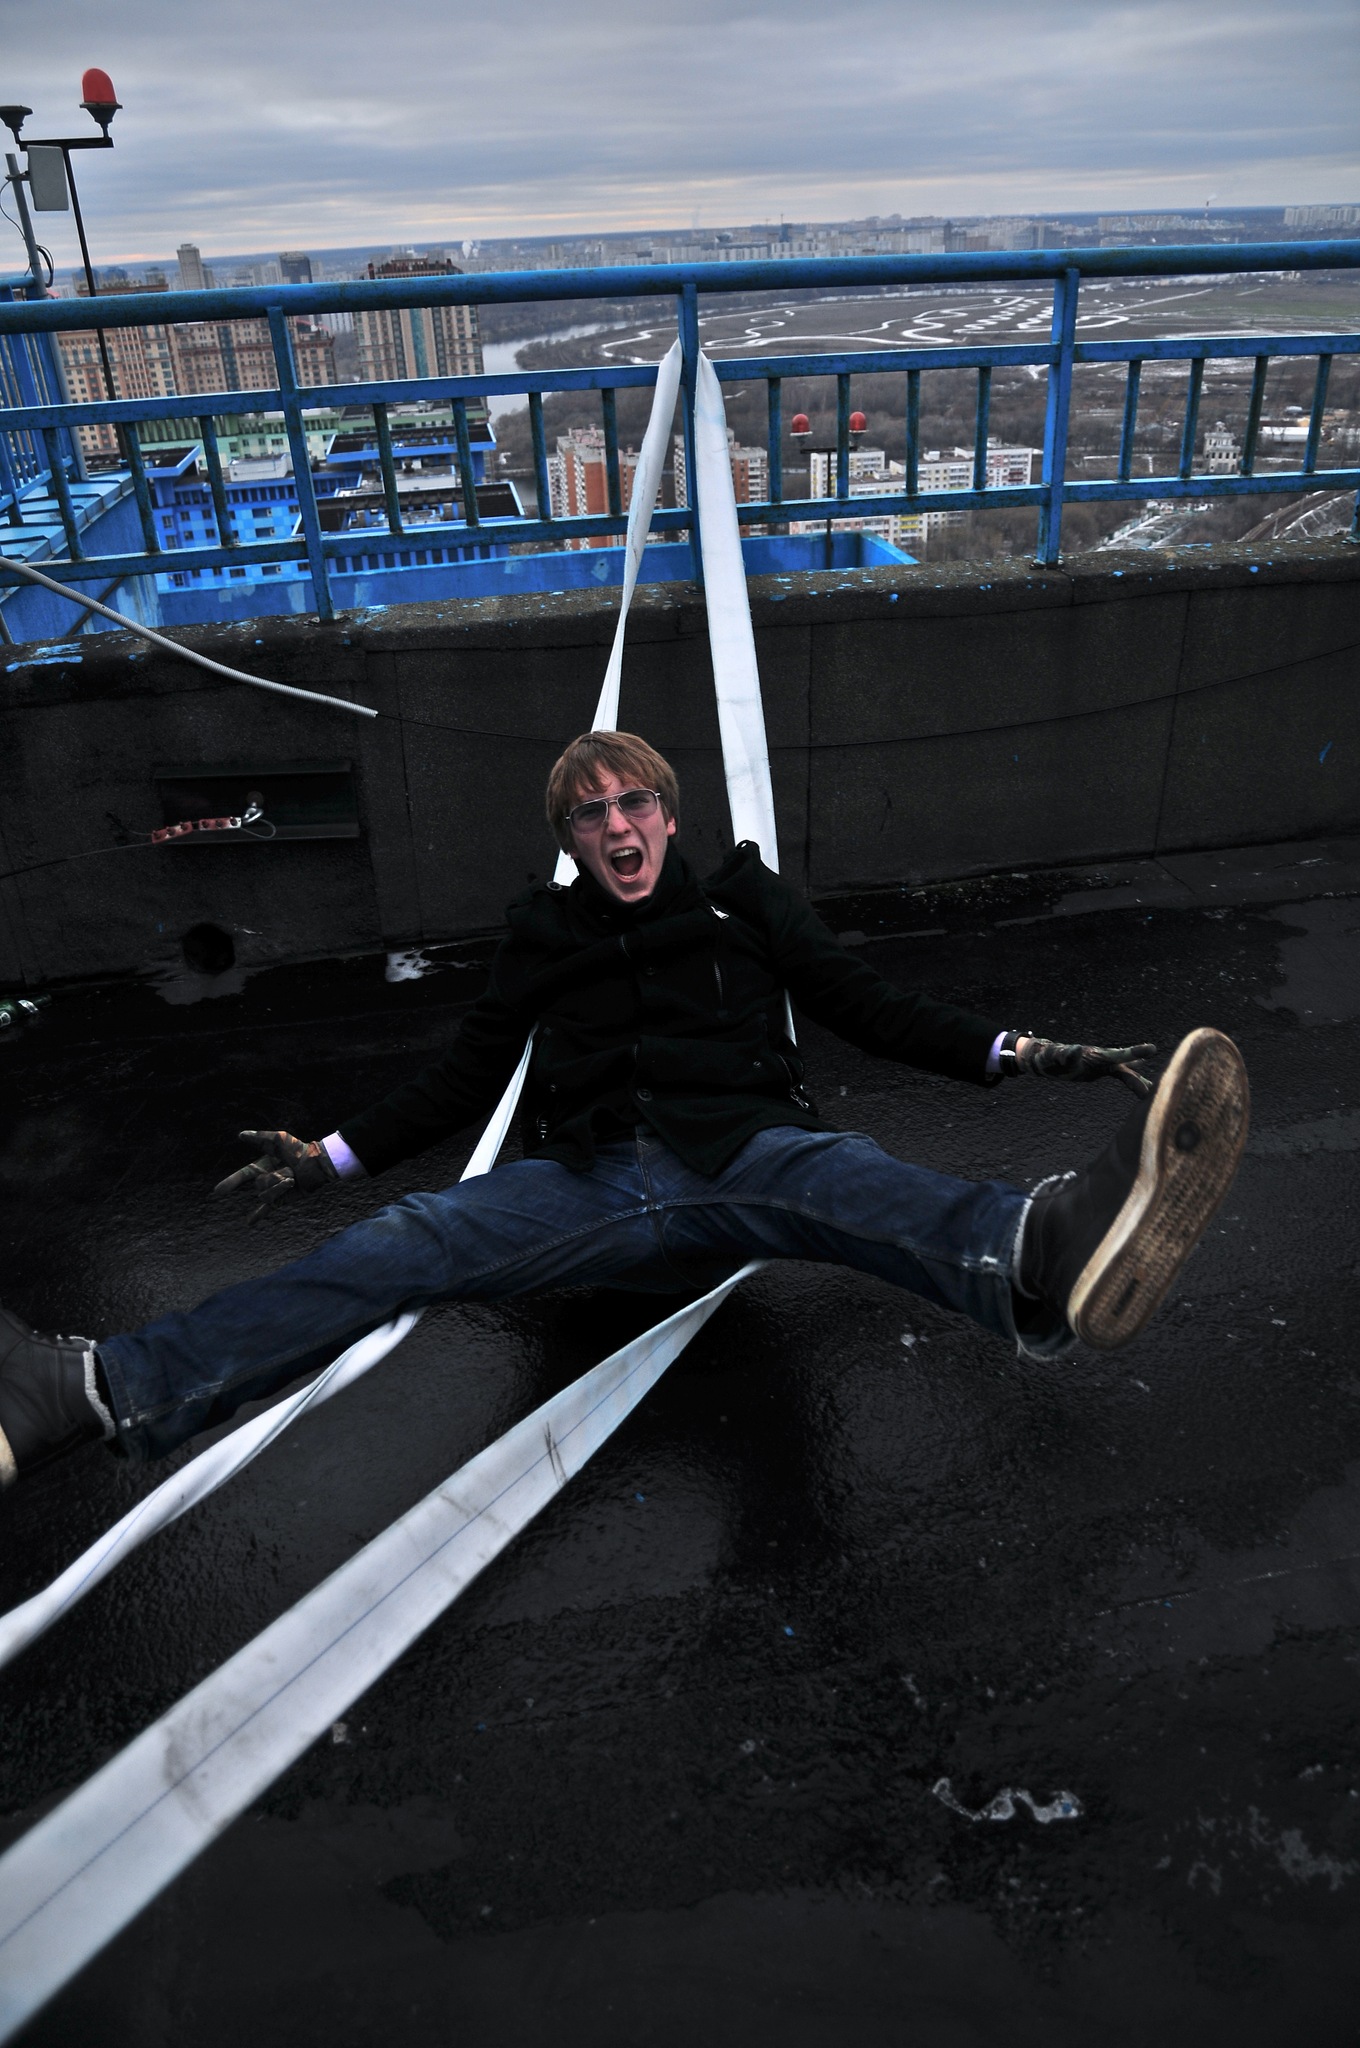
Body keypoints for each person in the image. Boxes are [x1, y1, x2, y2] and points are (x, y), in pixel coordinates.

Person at [0, 731, 1249, 1486]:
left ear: (667, 812)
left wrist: (1022, 1051)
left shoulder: (747, 902)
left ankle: (1038, 1255)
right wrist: (325, 1157)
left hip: (744, 1151)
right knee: (407, 1239)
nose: (616, 823)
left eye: (633, 801)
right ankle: (98, 1385)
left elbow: (866, 1005)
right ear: (572, 837)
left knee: (834, 1170)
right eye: (590, 813)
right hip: (590, 1186)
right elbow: (463, 1075)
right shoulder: (544, 933)